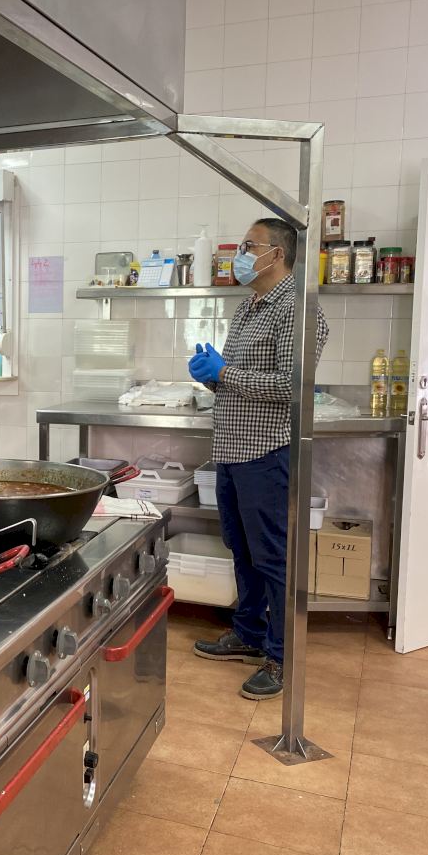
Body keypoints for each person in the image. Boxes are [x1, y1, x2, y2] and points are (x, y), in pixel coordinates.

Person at [187, 218, 329, 700]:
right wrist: (212, 376)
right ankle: (249, 633)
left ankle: (282, 656)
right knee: (241, 548)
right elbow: (239, 379)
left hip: (267, 451)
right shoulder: (249, 306)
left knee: (273, 556)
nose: (240, 254)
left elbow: (293, 387)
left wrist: (225, 372)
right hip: (231, 449)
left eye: (250, 246)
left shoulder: (298, 310)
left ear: (277, 254)